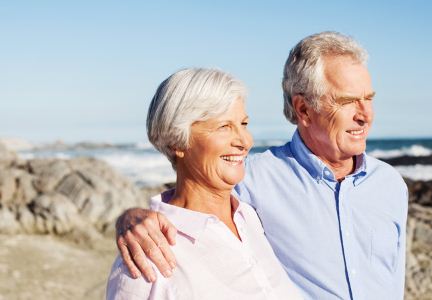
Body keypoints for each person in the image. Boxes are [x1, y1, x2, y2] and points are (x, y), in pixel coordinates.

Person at [115, 32, 408, 300]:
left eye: (368, 98)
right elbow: (190, 197)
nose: (365, 115)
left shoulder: (391, 185)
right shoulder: (252, 181)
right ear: (304, 109)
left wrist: (131, 218)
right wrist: (131, 218)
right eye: (347, 101)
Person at [106, 68, 302, 299]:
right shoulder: (146, 258)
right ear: (176, 141)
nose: (245, 141)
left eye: (244, 124)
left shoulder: (249, 216)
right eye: (224, 127)